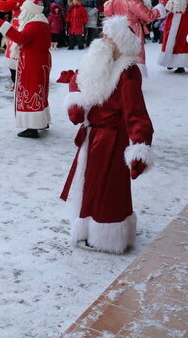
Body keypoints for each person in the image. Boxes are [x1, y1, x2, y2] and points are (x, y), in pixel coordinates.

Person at [61, 16, 154, 254]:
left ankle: (107, 236)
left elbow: (136, 112)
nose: (103, 40)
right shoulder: (99, 65)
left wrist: (140, 145)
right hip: (93, 138)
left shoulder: (127, 72)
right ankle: (90, 229)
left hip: (112, 140)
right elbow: (83, 92)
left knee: (107, 188)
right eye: (103, 35)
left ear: (121, 43)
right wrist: (74, 92)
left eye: (109, 37)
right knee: (91, 186)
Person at [0, 0, 51, 138]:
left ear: (30, 10)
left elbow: (21, 38)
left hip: (33, 62)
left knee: (31, 90)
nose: (22, 12)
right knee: (39, 90)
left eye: (24, 9)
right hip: (39, 61)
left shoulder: (34, 24)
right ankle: (41, 121)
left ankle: (33, 126)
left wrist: (3, 25)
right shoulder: (41, 21)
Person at [103, 0, 165, 77]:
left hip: (116, 28)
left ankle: (115, 74)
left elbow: (107, 12)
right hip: (133, 29)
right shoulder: (135, 0)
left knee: (117, 51)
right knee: (134, 52)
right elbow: (148, 16)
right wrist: (160, 8)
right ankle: (132, 75)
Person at [157, 0, 188, 72]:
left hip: (184, 22)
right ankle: (170, 61)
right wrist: (163, 4)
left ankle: (180, 64)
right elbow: (166, 6)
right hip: (171, 21)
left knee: (181, 42)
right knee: (169, 41)